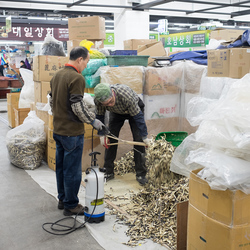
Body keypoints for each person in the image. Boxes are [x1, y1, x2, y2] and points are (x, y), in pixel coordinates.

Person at [49, 46, 106, 216]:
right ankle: (71, 205)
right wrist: (93, 121)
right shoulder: (77, 78)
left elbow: (52, 102)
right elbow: (77, 106)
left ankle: (62, 199)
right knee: (72, 170)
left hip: (58, 130)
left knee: (60, 168)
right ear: (80, 59)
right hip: (72, 133)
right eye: (87, 61)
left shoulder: (57, 75)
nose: (86, 66)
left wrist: (60, 116)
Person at [94, 83, 151, 186]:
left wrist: (144, 136)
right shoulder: (98, 101)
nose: (110, 105)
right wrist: (102, 134)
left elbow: (138, 118)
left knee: (138, 140)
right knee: (111, 139)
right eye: (106, 104)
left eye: (111, 101)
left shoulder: (126, 95)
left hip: (134, 111)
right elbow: (100, 116)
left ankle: (141, 173)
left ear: (113, 93)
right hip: (116, 113)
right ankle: (108, 171)